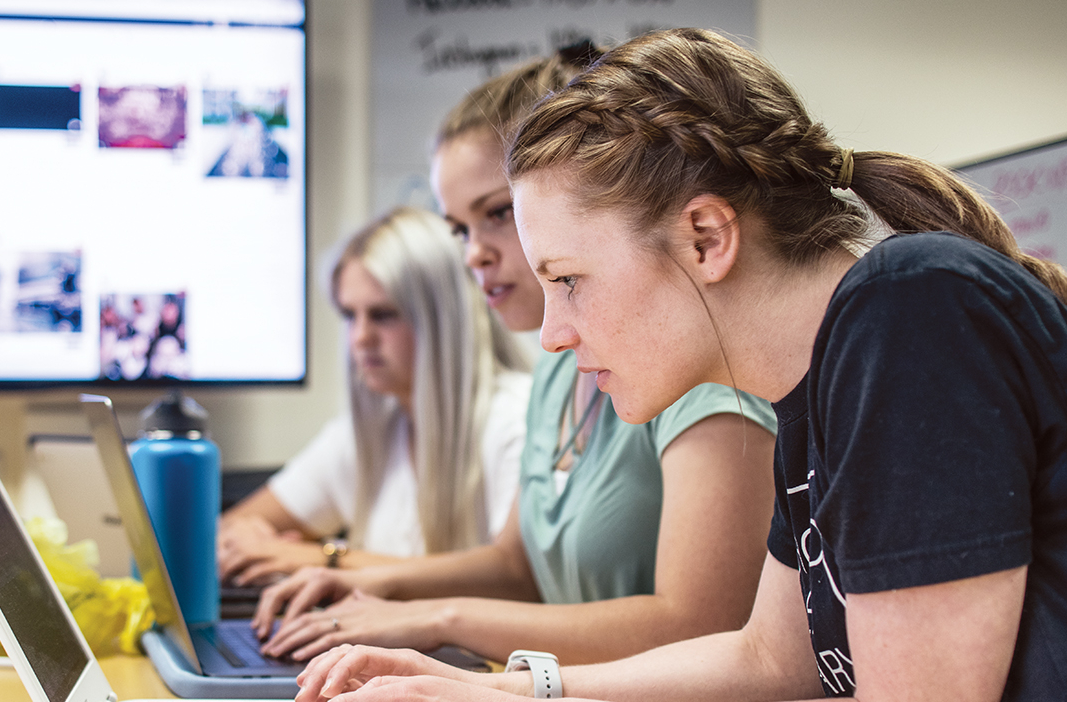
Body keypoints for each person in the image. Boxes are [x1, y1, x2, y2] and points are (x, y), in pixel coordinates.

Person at [293, 27, 1067, 702]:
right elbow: (765, 660)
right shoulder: (816, 385)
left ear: (705, 237)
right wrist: (495, 685)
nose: (553, 335)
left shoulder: (910, 311)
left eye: (567, 280)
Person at [248, 43, 780, 667]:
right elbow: (516, 566)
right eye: (459, 229)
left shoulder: (699, 375)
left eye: (499, 213)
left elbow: (701, 627)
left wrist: (435, 616)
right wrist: (379, 590)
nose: (474, 254)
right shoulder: (559, 361)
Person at [219, 207, 533, 581]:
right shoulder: (373, 429)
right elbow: (228, 532)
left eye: (384, 315)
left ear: (442, 318)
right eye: (350, 315)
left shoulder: (517, 418)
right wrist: (253, 541)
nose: (360, 338)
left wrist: (323, 559)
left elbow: (509, 580)